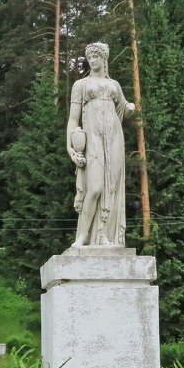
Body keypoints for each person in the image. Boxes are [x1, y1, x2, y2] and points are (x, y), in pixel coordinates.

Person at [66, 42, 135, 247]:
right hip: (93, 138)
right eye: (89, 57)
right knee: (94, 188)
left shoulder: (114, 85)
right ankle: (83, 236)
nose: (92, 60)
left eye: (96, 56)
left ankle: (103, 234)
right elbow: (72, 120)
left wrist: (130, 108)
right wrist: (71, 149)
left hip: (114, 136)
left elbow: (123, 108)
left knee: (110, 188)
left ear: (104, 58)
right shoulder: (81, 85)